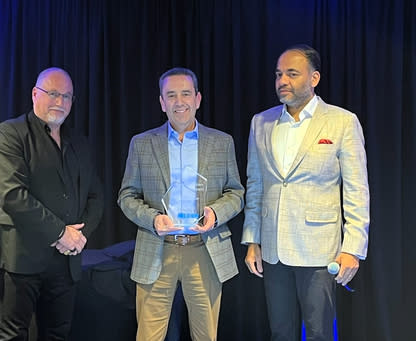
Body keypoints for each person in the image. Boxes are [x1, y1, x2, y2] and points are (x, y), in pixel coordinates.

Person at [241, 44, 370, 340]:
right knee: (280, 332)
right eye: (278, 74)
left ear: (314, 79)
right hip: (273, 250)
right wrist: (252, 240)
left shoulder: (341, 121)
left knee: (319, 333)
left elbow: (357, 190)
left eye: (291, 74)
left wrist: (353, 247)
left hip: (318, 249)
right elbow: (256, 184)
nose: (282, 81)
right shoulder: (261, 122)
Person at [118, 67, 244, 341]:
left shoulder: (222, 143)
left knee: (205, 336)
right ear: (162, 102)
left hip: (204, 249)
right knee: (148, 336)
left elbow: (236, 193)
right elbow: (126, 196)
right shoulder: (141, 144)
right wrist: (153, 219)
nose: (179, 101)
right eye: (171, 95)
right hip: (158, 248)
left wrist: (214, 213)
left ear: (198, 99)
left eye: (185, 94)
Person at [0, 67, 104, 340]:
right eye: (52, 94)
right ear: (34, 94)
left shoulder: (79, 143)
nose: (60, 102)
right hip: (20, 258)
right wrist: (61, 233)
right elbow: (13, 195)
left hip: (66, 261)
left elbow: (96, 196)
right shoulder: (9, 134)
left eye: (66, 96)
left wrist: (78, 236)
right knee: (12, 335)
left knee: (58, 335)